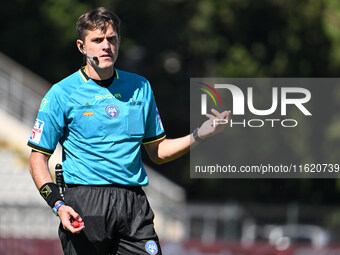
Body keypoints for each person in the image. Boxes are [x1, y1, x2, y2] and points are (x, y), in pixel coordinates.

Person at [27, 7, 230, 255]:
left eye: (111, 39)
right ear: (82, 47)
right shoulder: (61, 93)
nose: (106, 46)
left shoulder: (140, 87)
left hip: (133, 204)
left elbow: (158, 151)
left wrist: (199, 134)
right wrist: (57, 204)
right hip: (85, 203)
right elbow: (38, 157)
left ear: (119, 42)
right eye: (97, 40)